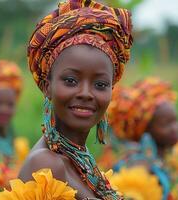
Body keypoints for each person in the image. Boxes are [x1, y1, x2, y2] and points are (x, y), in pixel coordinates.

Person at [18, 0, 133, 199]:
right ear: (47, 87)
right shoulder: (46, 165)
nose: (86, 93)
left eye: (100, 85)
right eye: (71, 80)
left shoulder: (80, 162)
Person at [101, 77, 178, 199]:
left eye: (175, 120)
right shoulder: (138, 169)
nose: (176, 128)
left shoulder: (173, 154)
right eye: (166, 124)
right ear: (145, 130)